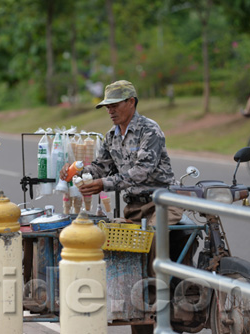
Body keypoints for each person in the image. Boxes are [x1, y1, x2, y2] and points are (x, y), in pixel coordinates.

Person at [60, 80, 182, 334]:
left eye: (115, 105)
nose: (110, 111)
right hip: (135, 208)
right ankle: (140, 315)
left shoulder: (150, 131)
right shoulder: (111, 136)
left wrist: (103, 183)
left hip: (161, 203)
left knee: (155, 253)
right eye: (107, 106)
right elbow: (101, 167)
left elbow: (140, 172)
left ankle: (167, 308)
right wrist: (78, 170)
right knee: (127, 259)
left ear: (131, 102)